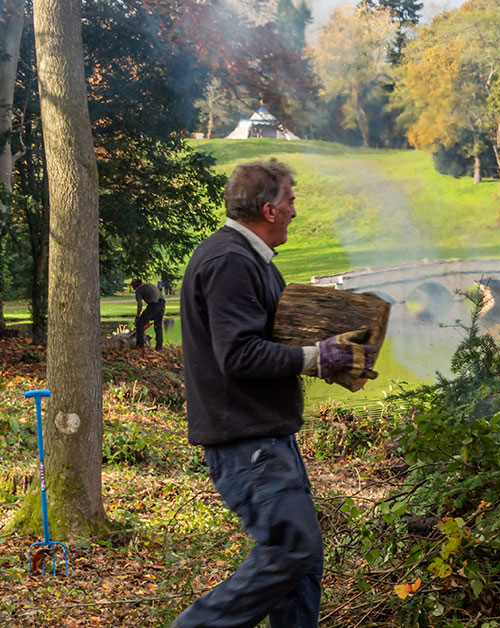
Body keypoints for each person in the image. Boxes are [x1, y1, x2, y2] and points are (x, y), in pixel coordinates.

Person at [173, 159, 379, 628]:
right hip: (247, 441)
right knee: (292, 546)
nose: (295, 211)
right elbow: (240, 356)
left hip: (267, 437)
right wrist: (315, 357)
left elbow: (270, 343)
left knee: (303, 564)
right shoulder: (229, 262)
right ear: (268, 209)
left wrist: (332, 356)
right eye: (290, 201)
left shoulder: (252, 261)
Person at [130, 278, 165, 350]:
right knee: (158, 326)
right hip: (162, 304)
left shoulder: (138, 290)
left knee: (140, 323)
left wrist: (137, 316)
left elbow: (140, 305)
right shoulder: (150, 285)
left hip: (153, 305)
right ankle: (159, 347)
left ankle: (140, 345)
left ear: (134, 286)